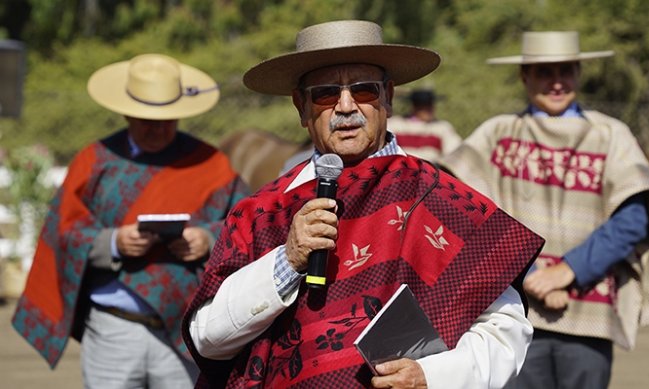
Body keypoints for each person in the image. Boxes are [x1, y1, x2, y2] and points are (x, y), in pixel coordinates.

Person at [183, 20, 546, 388]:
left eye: (363, 91)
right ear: (301, 106)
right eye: (325, 94)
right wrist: (286, 261)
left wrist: (431, 377)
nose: (345, 106)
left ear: (387, 96)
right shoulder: (263, 213)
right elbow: (206, 339)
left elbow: (506, 329)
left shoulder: (437, 197)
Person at [439, 31, 649, 389]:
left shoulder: (612, 135)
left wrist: (569, 270)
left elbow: (633, 219)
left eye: (565, 71)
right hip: (513, 314)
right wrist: (530, 272)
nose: (557, 83)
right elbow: (462, 207)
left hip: (588, 314)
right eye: (544, 72)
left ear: (579, 73)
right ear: (524, 76)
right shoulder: (496, 134)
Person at [11, 53, 250, 388]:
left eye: (168, 119)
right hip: (112, 330)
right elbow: (63, 232)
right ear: (126, 112)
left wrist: (207, 239)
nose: (159, 128)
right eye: (147, 120)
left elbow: (247, 225)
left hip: (188, 329)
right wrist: (112, 242)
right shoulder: (95, 161)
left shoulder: (210, 164)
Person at [387, 88, 462, 162]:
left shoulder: (442, 128)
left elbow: (455, 153)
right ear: (414, 107)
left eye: (430, 105)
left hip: (432, 170)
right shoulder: (395, 125)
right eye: (424, 106)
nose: (429, 110)